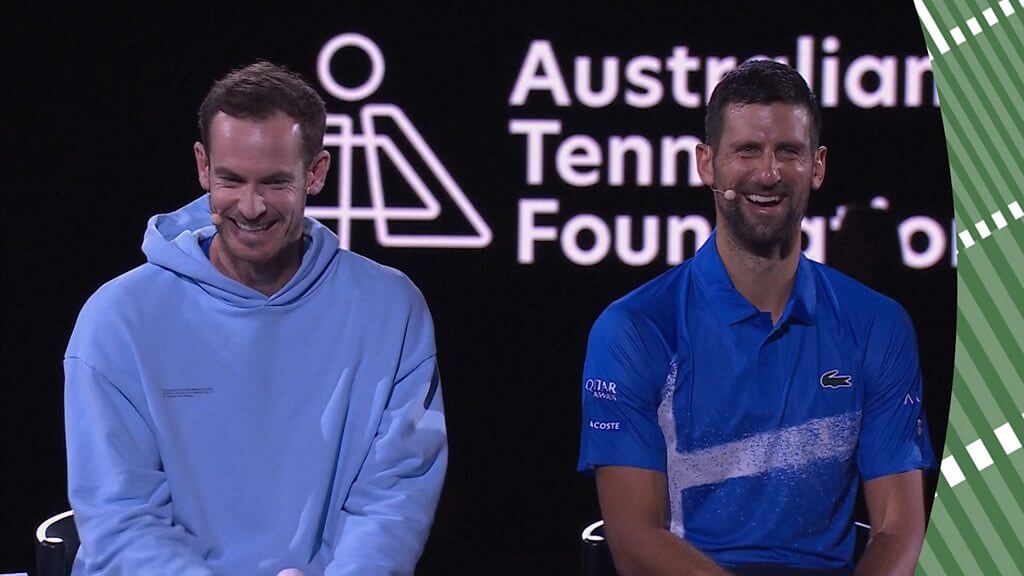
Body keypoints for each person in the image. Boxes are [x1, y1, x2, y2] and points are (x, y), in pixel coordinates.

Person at [64, 62, 446, 575]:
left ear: (316, 173)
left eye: (273, 182)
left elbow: (394, 495)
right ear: (203, 166)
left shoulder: (391, 308)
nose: (250, 206)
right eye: (231, 179)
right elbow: (121, 520)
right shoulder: (117, 320)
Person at [577, 60, 935, 576]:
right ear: (707, 164)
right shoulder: (633, 329)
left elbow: (899, 530)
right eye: (746, 150)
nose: (768, 173)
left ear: (818, 165)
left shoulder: (878, 325)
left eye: (788, 151)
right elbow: (634, 539)